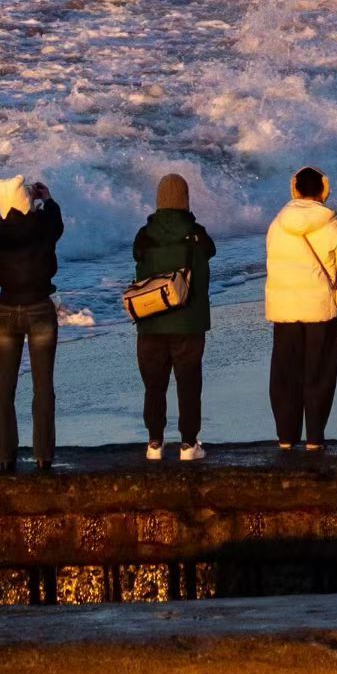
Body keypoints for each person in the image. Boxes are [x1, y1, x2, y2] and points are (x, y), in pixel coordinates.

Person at [131, 174, 216, 462]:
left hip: (151, 321)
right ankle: (189, 445)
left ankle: (154, 443)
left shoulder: (144, 234)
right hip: (188, 323)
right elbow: (211, 252)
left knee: (154, 385)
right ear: (185, 199)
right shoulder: (196, 234)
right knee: (188, 384)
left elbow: (138, 259)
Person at [265, 167, 337, 452]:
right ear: (323, 190)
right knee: (319, 373)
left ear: (294, 189)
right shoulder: (332, 223)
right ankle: (314, 437)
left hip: (284, 309)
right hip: (319, 309)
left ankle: (286, 437)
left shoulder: (277, 224)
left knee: (285, 374)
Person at [0, 175, 63, 472]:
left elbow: (2, 219)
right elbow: (56, 226)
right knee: (43, 386)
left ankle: (5, 457)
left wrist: (10, 203)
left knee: (5, 386)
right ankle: (43, 457)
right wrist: (48, 199)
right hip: (39, 308)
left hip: (6, 311)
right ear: (27, 201)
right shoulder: (42, 226)